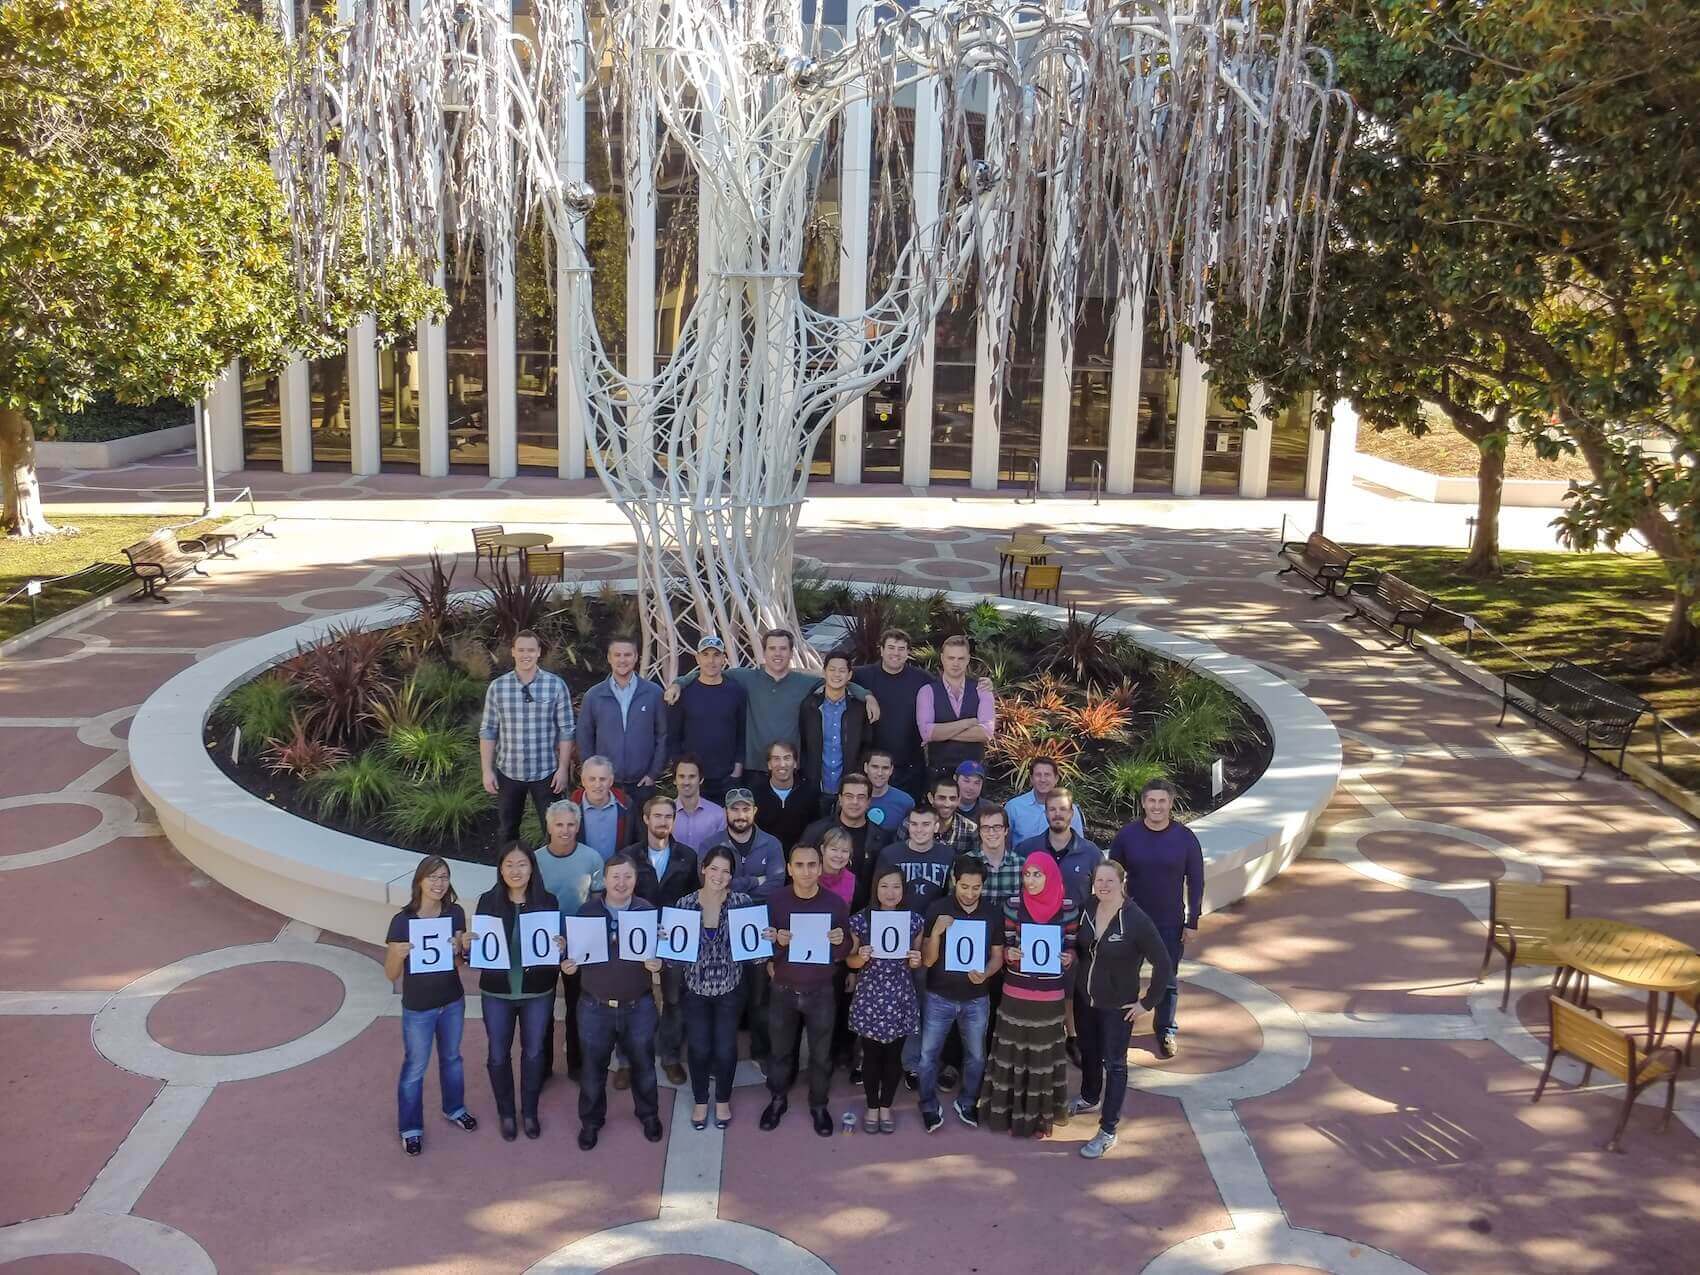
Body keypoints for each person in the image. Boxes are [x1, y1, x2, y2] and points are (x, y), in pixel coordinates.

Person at [667, 628, 876, 787]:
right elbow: (708, 671)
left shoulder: (803, 681)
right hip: (753, 770)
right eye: (772, 648)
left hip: (789, 770)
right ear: (764, 652)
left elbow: (836, 681)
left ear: (791, 652)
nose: (778, 654)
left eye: (783, 649)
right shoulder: (745, 677)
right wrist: (679, 683)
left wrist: (866, 695)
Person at [1071, 860, 1174, 1159]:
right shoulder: (1088, 908)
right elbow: (1080, 947)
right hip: (1085, 1001)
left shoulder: (1136, 919)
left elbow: (1164, 964)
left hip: (1117, 1008)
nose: (1103, 886)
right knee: (1089, 1052)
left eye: (1109, 881)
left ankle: (1108, 1130)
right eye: (1099, 881)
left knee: (1115, 1065)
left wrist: (1147, 1003)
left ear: (1122, 882)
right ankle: (1089, 1096)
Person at [566, 853, 665, 1150]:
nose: (621, 883)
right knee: (593, 1070)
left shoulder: (646, 911)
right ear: (605, 880)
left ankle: (648, 1115)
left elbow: (659, 952)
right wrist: (567, 962)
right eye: (615, 876)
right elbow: (573, 953)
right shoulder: (586, 912)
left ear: (635, 880)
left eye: (628, 876)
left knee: (644, 1066)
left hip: (639, 1005)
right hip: (594, 1006)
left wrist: (658, 962)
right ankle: (591, 1121)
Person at [983, 851, 1080, 1138]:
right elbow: (1006, 945)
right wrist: (1010, 954)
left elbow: (1072, 947)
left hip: (1050, 997)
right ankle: (1006, 1114)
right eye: (1027, 874)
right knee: (1012, 1055)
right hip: (1016, 994)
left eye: (1037, 874)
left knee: (1042, 1060)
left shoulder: (1068, 908)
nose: (1031, 880)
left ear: (1050, 876)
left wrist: (1068, 958)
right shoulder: (1013, 905)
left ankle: (1038, 1118)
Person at [385, 856, 477, 1156]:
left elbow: (459, 963)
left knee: (452, 1059)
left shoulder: (455, 914)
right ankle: (410, 1127)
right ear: (420, 882)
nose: (439, 883)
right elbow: (391, 974)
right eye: (432, 877)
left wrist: (460, 949)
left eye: (444, 877)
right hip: (418, 1007)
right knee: (415, 1066)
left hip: (452, 1001)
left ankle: (455, 1108)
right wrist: (397, 955)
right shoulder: (402, 921)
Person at [759, 841, 852, 1136]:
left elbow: (845, 949)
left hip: (821, 990)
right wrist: (776, 943)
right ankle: (778, 1099)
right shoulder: (776, 901)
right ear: (789, 869)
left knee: (821, 1055)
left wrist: (841, 941)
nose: (806, 871)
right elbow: (762, 944)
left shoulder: (835, 904)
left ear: (820, 867)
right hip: (784, 989)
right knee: (780, 1052)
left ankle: (819, 1104)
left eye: (812, 865)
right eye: (799, 865)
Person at [1109, 777, 1203, 1060]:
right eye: (1152, 800)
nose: (1157, 806)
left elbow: (1196, 881)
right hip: (1132, 921)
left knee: (1167, 979)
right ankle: (1119, 1028)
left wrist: (1192, 921)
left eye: (1162, 801)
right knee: (1125, 978)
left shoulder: (1186, 838)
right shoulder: (1127, 836)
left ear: (1171, 803)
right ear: (1143, 803)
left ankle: (1165, 1028)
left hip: (1169, 923)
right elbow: (1112, 877)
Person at [475, 844, 563, 1142]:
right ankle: (506, 1113)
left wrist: (561, 944)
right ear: (500, 869)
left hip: (537, 991)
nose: (516, 871)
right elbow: (481, 948)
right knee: (498, 1054)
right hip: (497, 992)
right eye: (509, 864)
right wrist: (470, 944)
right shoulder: (487, 901)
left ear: (532, 868)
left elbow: (555, 945)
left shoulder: (548, 901)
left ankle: (529, 1111)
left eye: (522, 864)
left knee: (534, 1052)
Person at [916, 855, 1003, 1133]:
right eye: (964, 887)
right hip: (938, 996)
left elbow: (998, 956)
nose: (969, 893)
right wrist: (936, 933)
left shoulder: (992, 913)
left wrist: (986, 973)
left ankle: (967, 1101)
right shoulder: (937, 908)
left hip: (976, 998)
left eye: (976, 888)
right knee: (928, 1056)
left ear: (983, 886)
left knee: (976, 1056)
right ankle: (928, 1104)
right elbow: (928, 960)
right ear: (955, 881)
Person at [873, 805, 957, 1081]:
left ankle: (913, 1062)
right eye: (915, 824)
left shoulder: (947, 855)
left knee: (922, 1002)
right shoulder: (891, 854)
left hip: (931, 939)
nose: (919, 830)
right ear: (908, 825)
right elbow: (878, 893)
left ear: (936, 826)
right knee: (885, 1000)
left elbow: (950, 897)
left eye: (926, 824)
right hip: (894, 936)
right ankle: (878, 1058)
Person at [671, 847, 751, 1130]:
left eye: (726, 871)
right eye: (714, 868)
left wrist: (765, 938)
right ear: (703, 869)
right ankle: (701, 1100)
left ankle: (723, 1100)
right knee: (699, 1047)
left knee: (726, 1048)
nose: (719, 875)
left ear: (732, 876)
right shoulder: (685, 904)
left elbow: (754, 954)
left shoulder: (742, 903)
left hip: (730, 989)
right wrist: (663, 940)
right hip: (695, 989)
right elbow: (673, 956)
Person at [627, 794, 700, 1088]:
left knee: (673, 998)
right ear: (646, 819)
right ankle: (626, 1059)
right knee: (631, 996)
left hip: (675, 938)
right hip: (638, 935)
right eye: (657, 816)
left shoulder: (688, 856)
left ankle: (670, 1056)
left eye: (668, 816)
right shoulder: (629, 856)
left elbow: (694, 899)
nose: (662, 821)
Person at [846, 866, 925, 1133]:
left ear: (903, 890)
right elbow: (850, 961)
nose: (890, 893)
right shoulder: (860, 920)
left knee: (893, 1057)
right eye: (884, 886)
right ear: (875, 888)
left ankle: (886, 1106)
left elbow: (916, 961)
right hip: (871, 996)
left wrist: (916, 959)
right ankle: (871, 1105)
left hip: (900, 995)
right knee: (871, 1056)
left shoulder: (914, 921)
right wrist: (861, 957)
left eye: (896, 887)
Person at [713, 786, 785, 1069]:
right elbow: (711, 884)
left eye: (746, 809)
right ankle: (721, 1054)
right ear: (726, 812)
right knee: (724, 994)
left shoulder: (772, 843)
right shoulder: (712, 844)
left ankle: (760, 1051)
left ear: (754, 811)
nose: (740, 815)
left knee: (759, 994)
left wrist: (734, 884)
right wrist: (756, 880)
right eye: (734, 809)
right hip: (721, 925)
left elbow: (776, 885)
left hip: (759, 926)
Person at [479, 630, 575, 844]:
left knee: (553, 830)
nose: (526, 655)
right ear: (513, 652)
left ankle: (550, 867)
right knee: (507, 830)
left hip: (546, 772)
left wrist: (562, 769)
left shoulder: (555, 685)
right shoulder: (498, 687)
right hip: (509, 772)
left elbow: (567, 730)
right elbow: (488, 730)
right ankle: (508, 866)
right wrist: (487, 770)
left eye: (531, 650)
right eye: (521, 650)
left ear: (539, 652)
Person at [533, 800, 605, 1084]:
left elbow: (598, 903)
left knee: (578, 1007)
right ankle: (543, 1067)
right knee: (543, 1008)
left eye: (571, 824)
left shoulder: (592, 858)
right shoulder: (535, 860)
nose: (565, 830)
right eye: (559, 824)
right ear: (549, 826)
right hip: (544, 944)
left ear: (578, 826)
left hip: (579, 945)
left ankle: (577, 1064)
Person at [577, 635, 668, 811]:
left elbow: (663, 735)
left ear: (636, 657)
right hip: (606, 784)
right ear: (609, 658)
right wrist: (593, 776)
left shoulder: (653, 693)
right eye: (617, 655)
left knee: (641, 827)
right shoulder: (594, 696)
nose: (622, 660)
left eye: (627, 655)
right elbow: (584, 737)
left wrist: (653, 773)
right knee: (612, 828)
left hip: (643, 783)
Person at [852, 628, 933, 800]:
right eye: (891, 647)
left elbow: (946, 690)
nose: (896, 653)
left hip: (910, 767)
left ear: (908, 653)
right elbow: (836, 679)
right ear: (881, 650)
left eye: (901, 649)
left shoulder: (922, 679)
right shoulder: (862, 675)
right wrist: (866, 694)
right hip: (872, 767)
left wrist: (981, 686)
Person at [665, 635, 748, 803]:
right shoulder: (684, 693)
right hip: (692, 778)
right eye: (705, 655)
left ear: (724, 658)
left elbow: (742, 732)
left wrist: (737, 769)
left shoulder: (736, 691)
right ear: (697, 658)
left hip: (727, 776)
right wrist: (680, 770)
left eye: (716, 655)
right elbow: (673, 735)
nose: (711, 661)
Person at [801, 772, 894, 898]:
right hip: (820, 903)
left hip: (864, 907)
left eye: (861, 797)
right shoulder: (816, 832)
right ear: (840, 799)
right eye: (849, 796)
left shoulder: (882, 838)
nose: (855, 802)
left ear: (869, 802)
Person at [797, 652, 869, 811]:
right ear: (824, 672)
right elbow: (802, 742)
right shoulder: (810, 706)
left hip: (849, 790)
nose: (837, 674)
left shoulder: (858, 709)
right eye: (832, 669)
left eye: (842, 670)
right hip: (815, 786)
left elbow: (866, 744)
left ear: (849, 675)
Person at [917, 634, 995, 779]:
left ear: (968, 659)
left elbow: (986, 733)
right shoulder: (927, 691)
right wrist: (968, 723)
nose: (955, 663)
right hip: (939, 775)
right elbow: (926, 733)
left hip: (973, 776)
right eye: (951, 658)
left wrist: (941, 733)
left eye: (960, 658)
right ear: (942, 658)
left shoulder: (982, 689)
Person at [1015, 788, 1103, 907]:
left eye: (1063, 809)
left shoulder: (1091, 853)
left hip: (1077, 918)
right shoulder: (1026, 850)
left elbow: (1104, 893)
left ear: (1071, 813)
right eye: (1052, 809)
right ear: (1046, 813)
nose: (1057, 814)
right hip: (1033, 918)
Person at [752, 740, 819, 852]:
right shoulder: (756, 793)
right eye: (776, 759)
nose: (782, 764)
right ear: (769, 764)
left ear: (795, 763)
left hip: (800, 856)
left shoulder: (809, 792)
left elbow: (815, 829)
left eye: (787, 758)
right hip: (765, 854)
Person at [1005, 756, 1084, 844]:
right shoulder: (1014, 807)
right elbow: (1004, 844)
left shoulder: (1070, 809)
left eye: (1047, 775)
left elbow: (1079, 845)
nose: (1042, 779)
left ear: (1056, 779)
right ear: (1031, 779)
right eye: (1038, 775)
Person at [572, 755, 631, 861]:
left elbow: (636, 840)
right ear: (583, 781)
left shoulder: (625, 805)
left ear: (611, 781)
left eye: (602, 779)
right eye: (592, 779)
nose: (597, 785)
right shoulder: (571, 808)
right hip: (583, 869)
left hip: (618, 869)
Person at [972, 805, 1027, 913]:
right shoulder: (966, 862)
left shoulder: (1022, 865)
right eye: (985, 828)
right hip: (975, 922)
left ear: (1006, 830)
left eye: (997, 827)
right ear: (979, 831)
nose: (991, 833)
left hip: (1010, 923)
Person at [670, 754, 726, 852]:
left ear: (701, 779)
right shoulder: (665, 814)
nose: (686, 782)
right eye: (681, 776)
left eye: (692, 776)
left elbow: (722, 853)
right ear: (674, 780)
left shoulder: (718, 814)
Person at [927, 773, 981, 858]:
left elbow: (977, 862)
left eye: (952, 798)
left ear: (959, 800)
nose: (947, 804)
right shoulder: (913, 825)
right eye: (942, 798)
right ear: (931, 798)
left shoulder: (970, 830)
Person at [862, 749, 916, 830]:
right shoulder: (853, 798)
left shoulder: (906, 802)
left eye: (885, 768)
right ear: (866, 767)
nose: (880, 773)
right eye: (875, 767)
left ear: (891, 770)